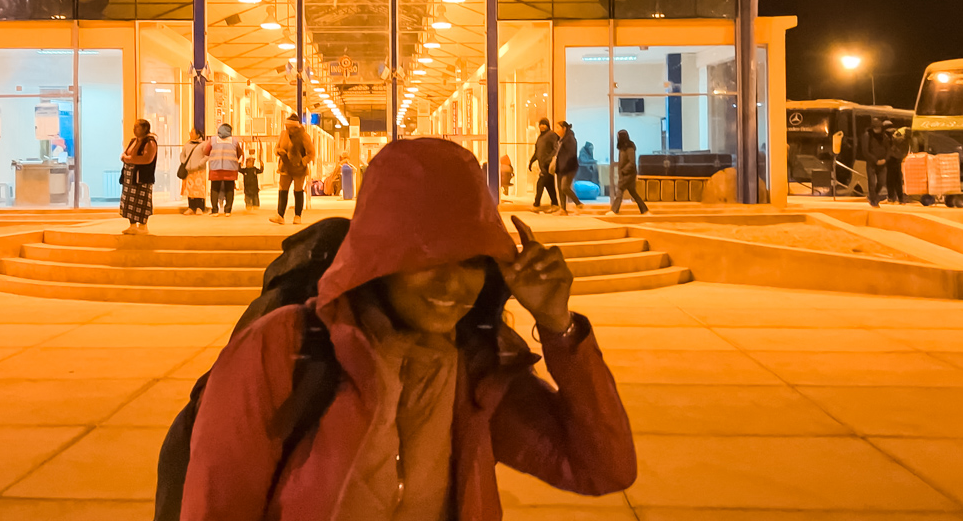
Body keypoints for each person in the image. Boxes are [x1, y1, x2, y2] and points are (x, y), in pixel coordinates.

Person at [181, 139, 637, 521]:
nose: (451, 284)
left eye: (473, 261)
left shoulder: (475, 365)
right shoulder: (283, 349)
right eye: (426, 259)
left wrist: (560, 328)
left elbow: (602, 468)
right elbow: (217, 505)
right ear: (380, 258)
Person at [271, 113, 315, 226]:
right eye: (286, 126)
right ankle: (280, 215)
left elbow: (311, 153)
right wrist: (278, 151)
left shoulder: (304, 136)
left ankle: (297, 216)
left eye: (289, 127)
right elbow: (276, 148)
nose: (287, 129)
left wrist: (302, 162)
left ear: (295, 127)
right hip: (285, 166)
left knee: (298, 191)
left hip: (299, 169)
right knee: (282, 190)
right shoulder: (283, 134)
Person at [119, 119, 157, 235]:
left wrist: (129, 159)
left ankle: (143, 226)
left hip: (142, 178)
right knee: (129, 202)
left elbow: (146, 159)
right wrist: (126, 158)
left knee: (142, 202)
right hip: (129, 177)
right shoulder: (133, 141)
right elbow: (125, 154)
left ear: (145, 129)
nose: (134, 129)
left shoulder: (150, 142)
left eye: (137, 127)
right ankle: (132, 225)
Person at [203, 123, 243, 217]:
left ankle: (215, 211)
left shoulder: (212, 140)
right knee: (229, 189)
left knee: (214, 188)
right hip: (230, 168)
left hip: (215, 167)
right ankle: (228, 210)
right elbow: (239, 153)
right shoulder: (234, 141)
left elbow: (206, 151)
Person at [608, 130, 649, 215]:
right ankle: (644, 210)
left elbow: (631, 162)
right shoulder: (623, 148)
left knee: (619, 191)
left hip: (628, 174)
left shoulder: (629, 148)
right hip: (625, 174)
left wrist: (623, 171)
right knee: (633, 193)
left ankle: (614, 210)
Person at [528, 117, 559, 211]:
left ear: (548, 125)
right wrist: (531, 161)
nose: (542, 126)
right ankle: (555, 204)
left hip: (548, 166)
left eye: (544, 124)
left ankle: (536, 204)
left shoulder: (552, 135)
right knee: (550, 186)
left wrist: (549, 159)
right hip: (542, 166)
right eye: (541, 124)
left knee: (540, 184)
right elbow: (537, 152)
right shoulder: (540, 137)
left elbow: (556, 148)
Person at [861, 118, 892, 207]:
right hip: (872, 163)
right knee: (871, 182)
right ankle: (874, 200)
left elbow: (888, 149)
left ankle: (873, 196)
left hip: (883, 163)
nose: (878, 130)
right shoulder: (867, 136)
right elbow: (865, 151)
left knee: (882, 181)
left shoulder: (884, 136)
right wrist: (875, 160)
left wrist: (885, 159)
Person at [554, 120, 582, 216]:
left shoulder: (570, 139)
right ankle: (563, 209)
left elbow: (571, 155)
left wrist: (565, 165)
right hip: (560, 168)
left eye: (558, 127)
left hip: (568, 168)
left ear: (564, 128)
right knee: (560, 189)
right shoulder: (561, 139)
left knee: (564, 187)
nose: (556, 130)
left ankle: (578, 203)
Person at [179, 128, 209, 216]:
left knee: (199, 189)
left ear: (198, 134)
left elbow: (207, 155)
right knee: (190, 190)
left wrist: (200, 163)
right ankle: (191, 207)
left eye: (192, 133)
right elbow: (182, 154)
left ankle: (200, 207)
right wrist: (184, 162)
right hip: (189, 171)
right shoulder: (187, 144)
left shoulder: (203, 144)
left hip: (200, 171)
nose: (190, 134)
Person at [886, 124, 909, 204]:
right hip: (898, 159)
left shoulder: (889, 136)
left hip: (891, 159)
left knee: (890, 179)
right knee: (898, 180)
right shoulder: (900, 137)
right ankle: (901, 199)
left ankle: (891, 197)